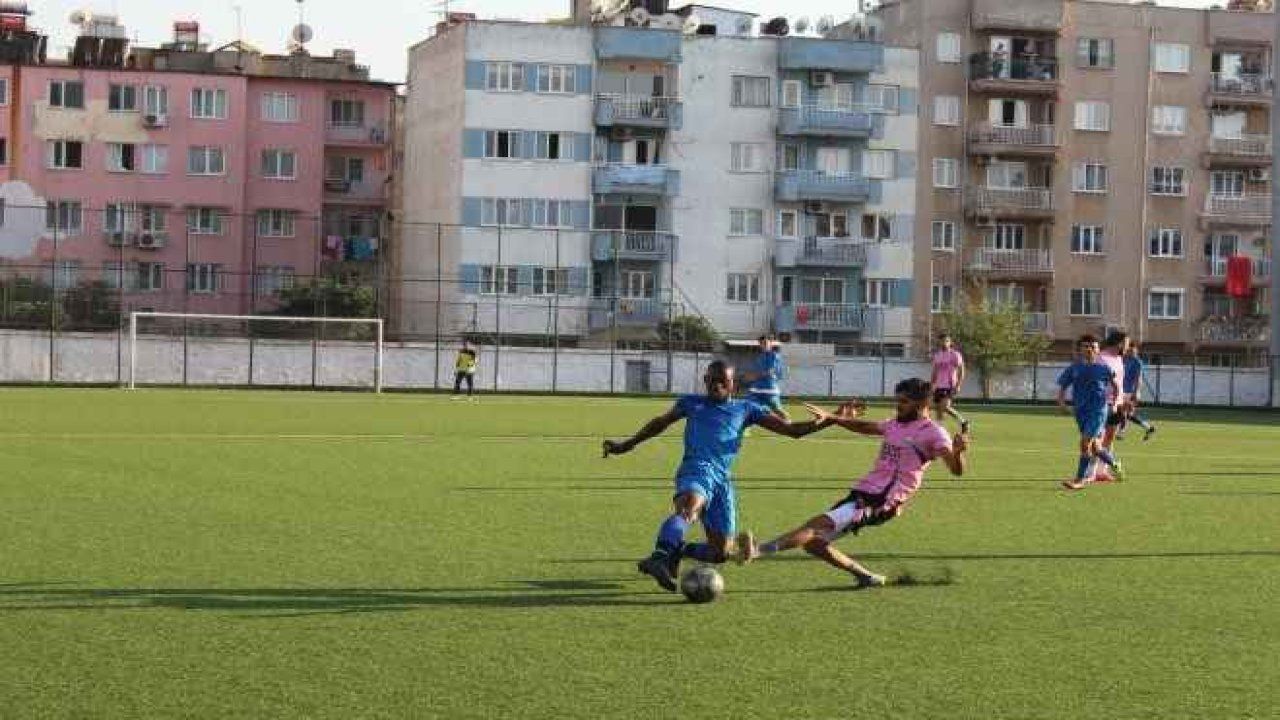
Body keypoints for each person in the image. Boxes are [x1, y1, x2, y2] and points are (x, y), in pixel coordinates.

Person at [602, 360, 836, 593]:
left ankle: (679, 550)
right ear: (705, 380)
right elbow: (660, 423)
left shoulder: (747, 409)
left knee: (720, 552)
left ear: (733, 384)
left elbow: (792, 430)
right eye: (712, 381)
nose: (717, 386)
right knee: (689, 509)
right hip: (696, 468)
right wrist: (628, 444)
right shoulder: (691, 403)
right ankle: (659, 557)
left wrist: (830, 420)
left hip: (722, 480)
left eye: (723, 381)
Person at [737, 378, 970, 588]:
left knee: (816, 525)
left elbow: (956, 470)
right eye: (897, 400)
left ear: (921, 404)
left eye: (904, 402)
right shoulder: (895, 424)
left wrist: (958, 453)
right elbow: (865, 427)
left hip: (883, 500)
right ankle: (866, 577)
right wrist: (834, 418)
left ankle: (759, 550)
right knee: (814, 543)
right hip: (865, 491)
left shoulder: (934, 433)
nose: (898, 406)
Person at [1057, 335, 1125, 491]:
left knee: (1085, 443)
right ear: (1080, 349)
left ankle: (1079, 480)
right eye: (1086, 346)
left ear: (1098, 350)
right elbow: (1063, 386)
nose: (1089, 349)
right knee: (1096, 448)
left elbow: (1116, 387)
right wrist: (1061, 403)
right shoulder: (1074, 368)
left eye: (1093, 347)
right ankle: (1115, 464)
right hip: (1080, 411)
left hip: (1099, 411)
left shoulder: (1104, 368)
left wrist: (1115, 403)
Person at [1094, 330, 1131, 480]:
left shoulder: (1119, 359)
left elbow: (1118, 383)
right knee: (1097, 440)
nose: (1128, 347)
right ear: (1119, 343)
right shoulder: (1101, 358)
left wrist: (1123, 398)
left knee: (1109, 438)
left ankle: (1102, 472)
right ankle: (1091, 472)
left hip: (1117, 404)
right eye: (1127, 343)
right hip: (1102, 404)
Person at [930, 333, 970, 434]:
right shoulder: (937, 355)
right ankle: (940, 430)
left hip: (950, 385)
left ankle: (961, 422)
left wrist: (958, 385)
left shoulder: (955, 354)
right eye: (942, 341)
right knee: (938, 409)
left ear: (950, 342)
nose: (944, 343)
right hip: (939, 385)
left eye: (946, 341)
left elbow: (961, 370)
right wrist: (932, 385)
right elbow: (934, 371)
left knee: (945, 406)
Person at [743, 335, 788, 420]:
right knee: (747, 406)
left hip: (769, 389)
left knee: (777, 410)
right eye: (761, 343)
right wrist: (749, 377)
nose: (764, 345)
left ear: (770, 344)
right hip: (757, 389)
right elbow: (756, 371)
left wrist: (755, 377)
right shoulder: (760, 357)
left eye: (766, 343)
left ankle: (788, 423)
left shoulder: (774, 356)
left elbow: (770, 372)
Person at [1118, 342, 1157, 442]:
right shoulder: (1123, 359)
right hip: (1121, 390)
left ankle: (1121, 432)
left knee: (1123, 411)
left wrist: (1137, 392)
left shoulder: (1137, 362)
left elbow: (1138, 378)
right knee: (1128, 414)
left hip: (1130, 391)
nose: (1130, 352)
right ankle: (1149, 428)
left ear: (1136, 351)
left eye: (1132, 351)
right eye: (1129, 350)